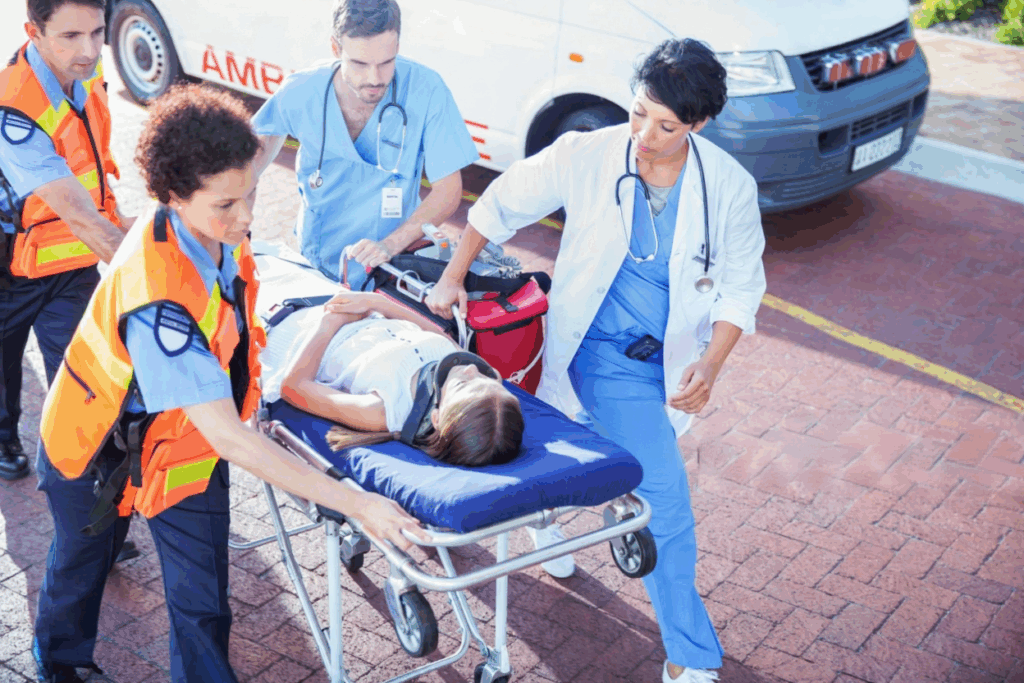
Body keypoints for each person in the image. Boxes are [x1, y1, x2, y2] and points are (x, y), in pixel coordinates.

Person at [32, 84, 425, 683]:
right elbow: (232, 440)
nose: (244, 219)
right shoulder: (157, 300)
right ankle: (59, 664)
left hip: (178, 448)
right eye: (225, 206)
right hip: (93, 449)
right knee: (82, 562)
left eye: (251, 196)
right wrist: (354, 501)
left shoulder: (210, 234)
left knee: (203, 601)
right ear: (172, 197)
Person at [425, 39, 767, 683]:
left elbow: (743, 287)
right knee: (663, 496)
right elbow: (501, 205)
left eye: (666, 126)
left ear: (697, 124)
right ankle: (691, 659)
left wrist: (712, 365)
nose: (644, 134)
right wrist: (451, 277)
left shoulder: (728, 186)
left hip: (661, 363)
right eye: (638, 113)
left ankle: (551, 523)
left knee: (610, 469)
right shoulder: (590, 152)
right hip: (591, 348)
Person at [250, 0, 479, 290]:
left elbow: (448, 191)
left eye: (386, 63)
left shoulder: (427, 90)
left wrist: (389, 245)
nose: (374, 79)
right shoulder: (302, 90)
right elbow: (250, 163)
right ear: (336, 49)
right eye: (359, 63)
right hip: (316, 261)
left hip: (391, 265)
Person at [0, 0, 128, 481]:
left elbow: (94, 168)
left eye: (97, 33)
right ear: (33, 31)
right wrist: (155, 282)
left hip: (70, 263)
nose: (89, 50)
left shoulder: (90, 76)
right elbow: (80, 216)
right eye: (70, 36)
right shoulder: (13, 106)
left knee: (79, 381)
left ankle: (89, 501)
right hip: (8, 269)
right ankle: (4, 438)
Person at [261, 288, 524, 467]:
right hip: (338, 299)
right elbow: (442, 340)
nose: (470, 369)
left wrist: (331, 321)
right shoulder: (459, 374)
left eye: (464, 382)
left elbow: (293, 387)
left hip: (285, 322)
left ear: (436, 417)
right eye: (486, 377)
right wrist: (377, 303)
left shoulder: (383, 410)